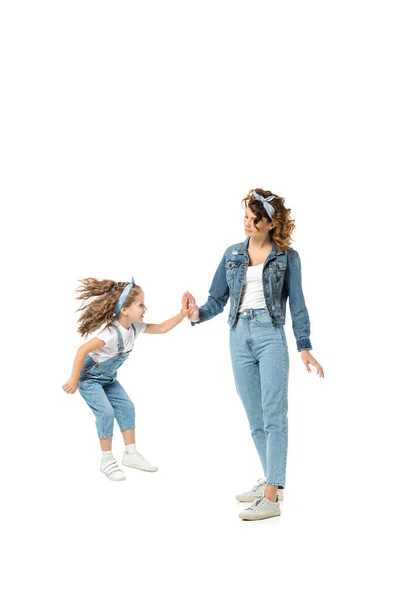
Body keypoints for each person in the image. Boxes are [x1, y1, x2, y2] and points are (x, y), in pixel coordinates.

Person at [187, 189, 324, 520]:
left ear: (269, 223)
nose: (247, 224)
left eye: (253, 220)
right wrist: (196, 314)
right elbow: (216, 300)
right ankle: (270, 483)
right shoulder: (232, 254)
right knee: (255, 417)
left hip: (270, 334)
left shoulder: (287, 257)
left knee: (274, 415)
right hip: (238, 336)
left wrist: (304, 346)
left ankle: (272, 496)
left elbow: (299, 303)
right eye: (245, 219)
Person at [62, 276, 190, 481]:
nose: (145, 309)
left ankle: (131, 454)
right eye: (141, 305)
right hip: (90, 379)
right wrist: (73, 379)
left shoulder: (134, 328)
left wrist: (182, 314)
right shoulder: (110, 334)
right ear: (124, 310)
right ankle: (106, 460)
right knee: (106, 412)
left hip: (109, 379)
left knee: (127, 407)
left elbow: (162, 328)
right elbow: (83, 349)